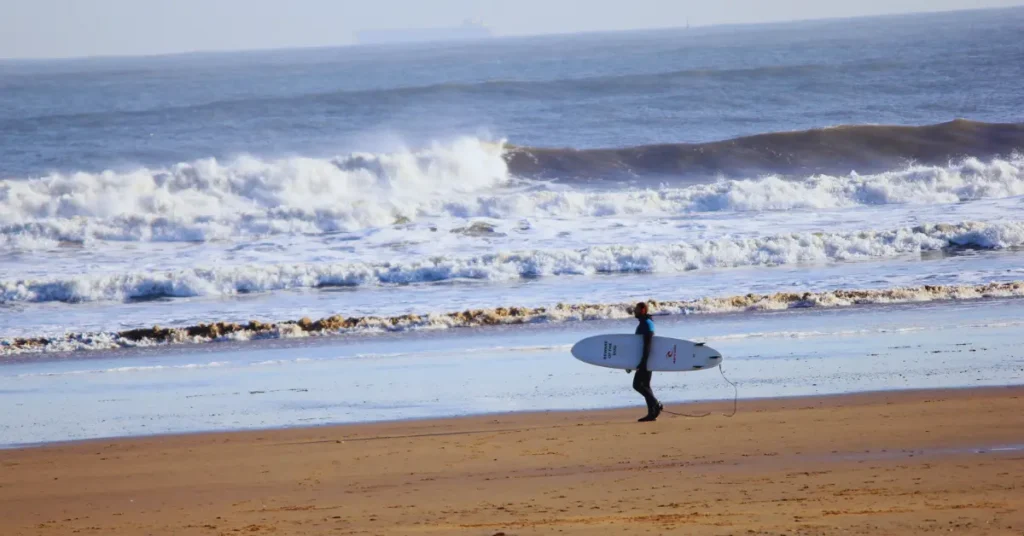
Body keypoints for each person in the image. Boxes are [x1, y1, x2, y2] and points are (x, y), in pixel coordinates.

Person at [629, 301, 663, 422]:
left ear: (643, 310)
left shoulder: (647, 324)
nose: (634, 311)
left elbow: (648, 345)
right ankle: (652, 413)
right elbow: (637, 347)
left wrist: (643, 362)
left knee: (637, 385)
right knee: (646, 386)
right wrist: (629, 364)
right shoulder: (643, 323)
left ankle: (655, 404)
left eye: (637, 309)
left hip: (647, 360)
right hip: (645, 360)